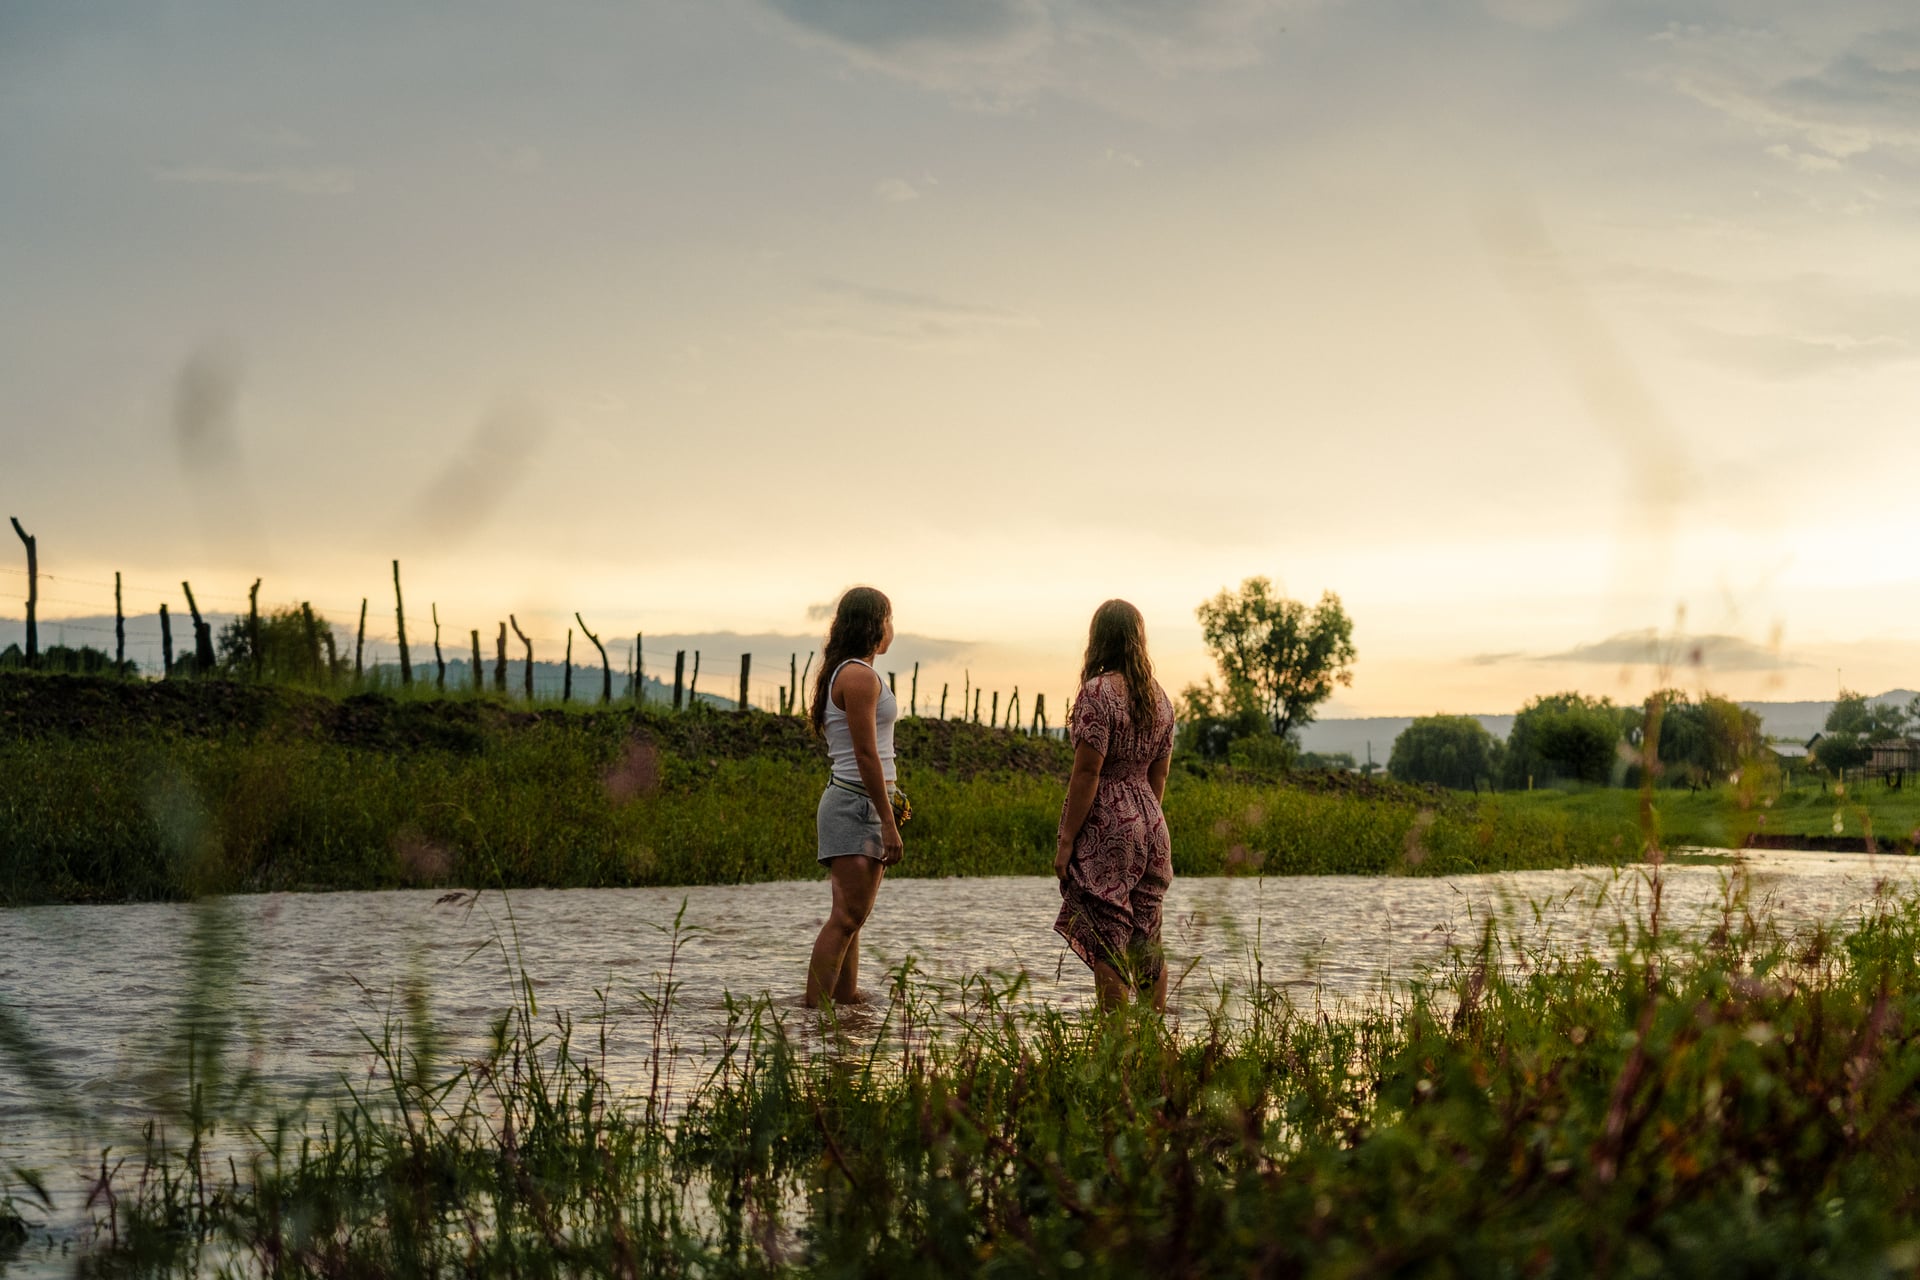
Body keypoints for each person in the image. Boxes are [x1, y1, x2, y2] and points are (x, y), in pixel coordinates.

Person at [1054, 599, 1175, 1011]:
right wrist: (1144, 822)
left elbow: (1087, 772)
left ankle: (1116, 1042)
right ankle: (1151, 1039)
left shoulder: (1097, 693)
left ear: (1098, 639)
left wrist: (1067, 841)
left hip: (1109, 818)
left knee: (1108, 934)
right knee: (1147, 936)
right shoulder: (1160, 699)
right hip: (1152, 820)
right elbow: (1159, 776)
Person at [804, 586, 902, 1007]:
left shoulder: (851, 672)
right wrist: (887, 819)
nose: (892, 629)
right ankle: (816, 1014)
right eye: (889, 619)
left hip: (857, 802)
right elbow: (865, 754)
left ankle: (843, 1011)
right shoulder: (859, 677)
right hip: (856, 804)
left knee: (852, 920)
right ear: (875, 625)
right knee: (845, 919)